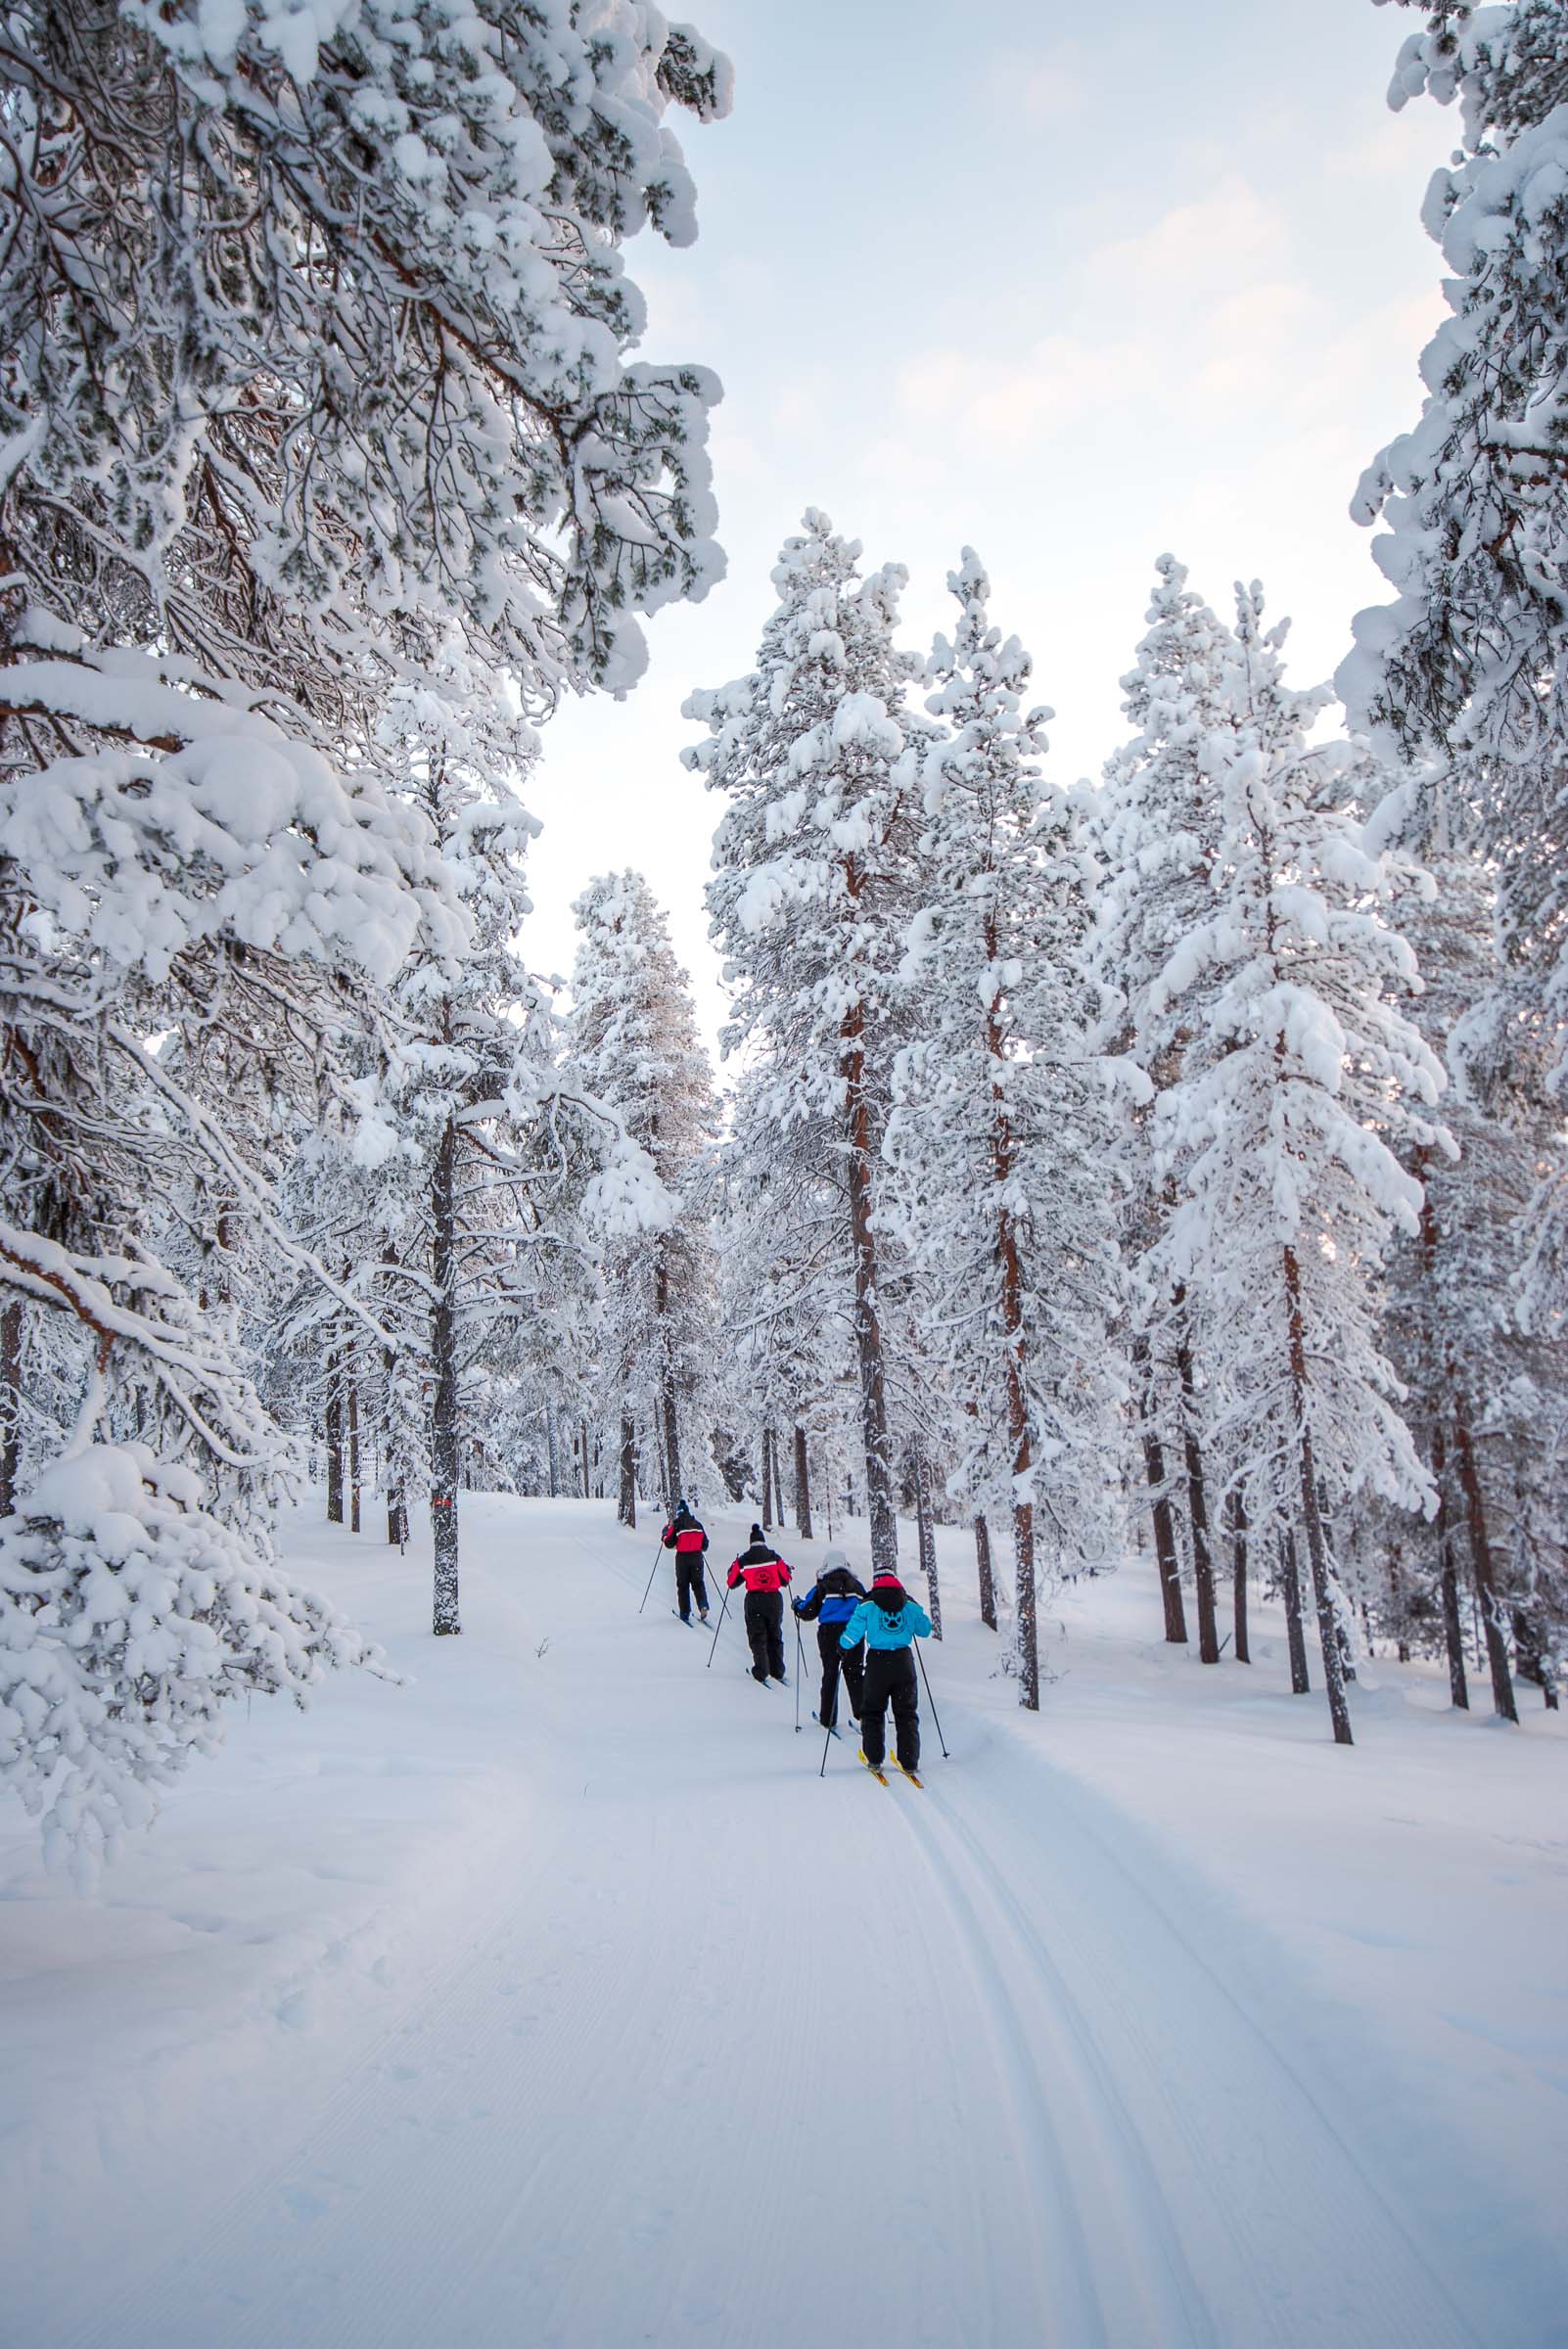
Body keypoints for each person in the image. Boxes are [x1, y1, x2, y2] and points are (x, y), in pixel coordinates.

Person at [839, 1569, 932, 1778]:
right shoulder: (908, 1604)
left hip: (877, 1662)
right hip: (903, 1661)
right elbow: (925, 1630)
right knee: (906, 1712)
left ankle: (874, 1758)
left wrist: (842, 1646)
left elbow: (853, 1632)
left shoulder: (868, 1605)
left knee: (872, 1711)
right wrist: (914, 1610)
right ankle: (909, 1761)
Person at [792, 1549, 867, 1731]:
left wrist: (797, 1605)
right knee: (855, 1674)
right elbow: (867, 1606)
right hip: (853, 1632)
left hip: (829, 1633)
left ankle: (828, 1718)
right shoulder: (857, 1586)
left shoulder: (822, 1586)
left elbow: (808, 1611)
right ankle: (865, 1716)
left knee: (831, 1673)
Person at [726, 1523, 793, 1683]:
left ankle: (762, 1670)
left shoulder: (744, 1560)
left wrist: (733, 1568)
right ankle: (777, 1670)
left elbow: (732, 1583)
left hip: (754, 1600)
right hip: (774, 1599)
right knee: (775, 1634)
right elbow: (786, 1579)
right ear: (763, 1541)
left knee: (757, 1636)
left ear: (750, 1542)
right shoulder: (774, 1557)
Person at [661, 1498, 711, 1625]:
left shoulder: (677, 1525)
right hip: (697, 1558)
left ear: (679, 1513)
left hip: (683, 1558)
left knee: (683, 1585)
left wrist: (665, 1533)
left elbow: (668, 1543)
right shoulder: (698, 1525)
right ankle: (703, 1604)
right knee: (698, 1583)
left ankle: (684, 1613)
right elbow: (705, 1545)